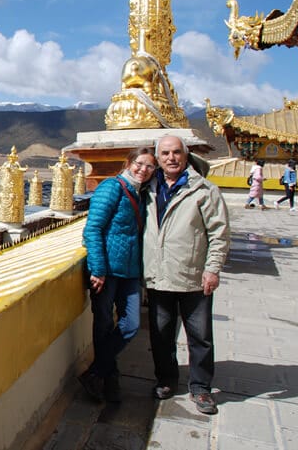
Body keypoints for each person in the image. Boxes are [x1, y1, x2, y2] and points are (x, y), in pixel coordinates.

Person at [142, 135, 230, 415]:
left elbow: (219, 234)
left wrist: (212, 268)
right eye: (165, 153)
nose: (171, 158)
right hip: (158, 275)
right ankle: (166, 379)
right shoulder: (149, 188)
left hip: (193, 275)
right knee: (161, 334)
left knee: (200, 336)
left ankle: (201, 388)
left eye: (176, 152)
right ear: (158, 158)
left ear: (185, 155)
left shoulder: (203, 190)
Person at [79, 147, 157, 403]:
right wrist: (98, 270)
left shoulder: (143, 193)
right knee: (103, 324)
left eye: (149, 167)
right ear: (129, 162)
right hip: (107, 270)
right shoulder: (112, 188)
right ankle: (108, 377)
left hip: (131, 271)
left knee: (130, 324)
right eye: (140, 163)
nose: (143, 170)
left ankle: (95, 372)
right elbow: (93, 229)